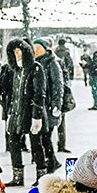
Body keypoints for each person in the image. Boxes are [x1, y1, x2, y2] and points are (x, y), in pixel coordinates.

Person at [0, 38, 39, 187]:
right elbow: (13, 94)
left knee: (36, 144)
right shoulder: (15, 70)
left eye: (19, 51)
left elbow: (39, 94)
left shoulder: (35, 68)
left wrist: (37, 116)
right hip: (15, 112)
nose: (16, 54)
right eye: (13, 52)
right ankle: (17, 176)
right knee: (13, 142)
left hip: (30, 112)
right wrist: (9, 112)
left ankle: (41, 175)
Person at [30, 39, 65, 181]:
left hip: (49, 106)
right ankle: (52, 161)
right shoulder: (34, 64)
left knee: (45, 137)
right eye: (35, 48)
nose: (37, 50)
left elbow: (58, 86)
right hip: (40, 107)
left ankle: (51, 163)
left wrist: (56, 105)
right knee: (43, 138)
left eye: (39, 48)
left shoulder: (51, 63)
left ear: (45, 49)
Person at [54, 40, 75, 154]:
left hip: (52, 93)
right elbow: (69, 66)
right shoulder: (66, 54)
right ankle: (61, 144)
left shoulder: (55, 53)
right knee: (61, 121)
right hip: (60, 90)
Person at [82, 45, 97, 110]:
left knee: (96, 89)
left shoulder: (96, 56)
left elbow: (93, 65)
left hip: (95, 74)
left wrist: (86, 64)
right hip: (96, 74)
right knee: (96, 89)